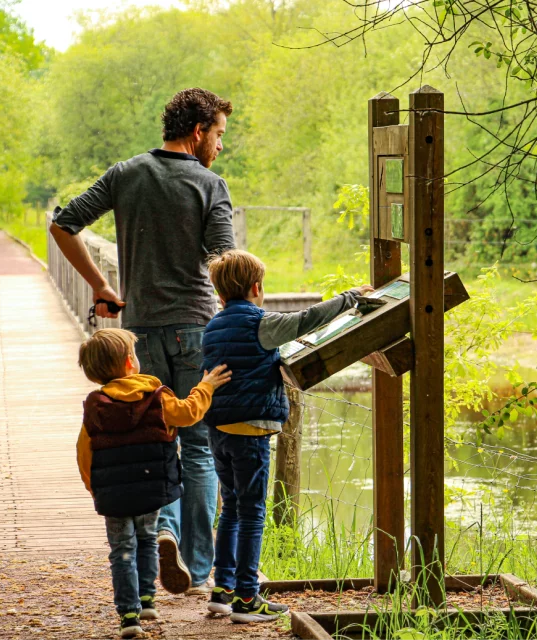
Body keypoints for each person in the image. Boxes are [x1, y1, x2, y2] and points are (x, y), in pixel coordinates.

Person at [50, 88, 235, 594]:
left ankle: (165, 532)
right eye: (218, 134)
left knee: (157, 437)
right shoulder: (209, 184)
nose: (219, 146)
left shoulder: (125, 173)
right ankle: (199, 569)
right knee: (197, 444)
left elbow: (64, 224)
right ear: (198, 131)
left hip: (142, 332)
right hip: (196, 326)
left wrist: (101, 287)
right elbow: (225, 264)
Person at [201, 249, 374, 623]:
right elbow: (307, 320)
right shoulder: (260, 324)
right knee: (252, 514)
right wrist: (350, 298)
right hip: (251, 431)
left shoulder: (213, 326)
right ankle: (247, 599)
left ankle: (223, 590)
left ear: (219, 293)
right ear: (257, 287)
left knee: (230, 509)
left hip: (218, 430)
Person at [75, 328, 231, 638]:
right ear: (131, 362)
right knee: (147, 539)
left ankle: (129, 616)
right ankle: (147, 599)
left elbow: (84, 452)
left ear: (94, 374)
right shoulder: (157, 398)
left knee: (121, 550)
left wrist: (96, 489)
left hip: (114, 497)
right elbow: (189, 414)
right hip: (151, 490)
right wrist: (206, 386)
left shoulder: (95, 406)